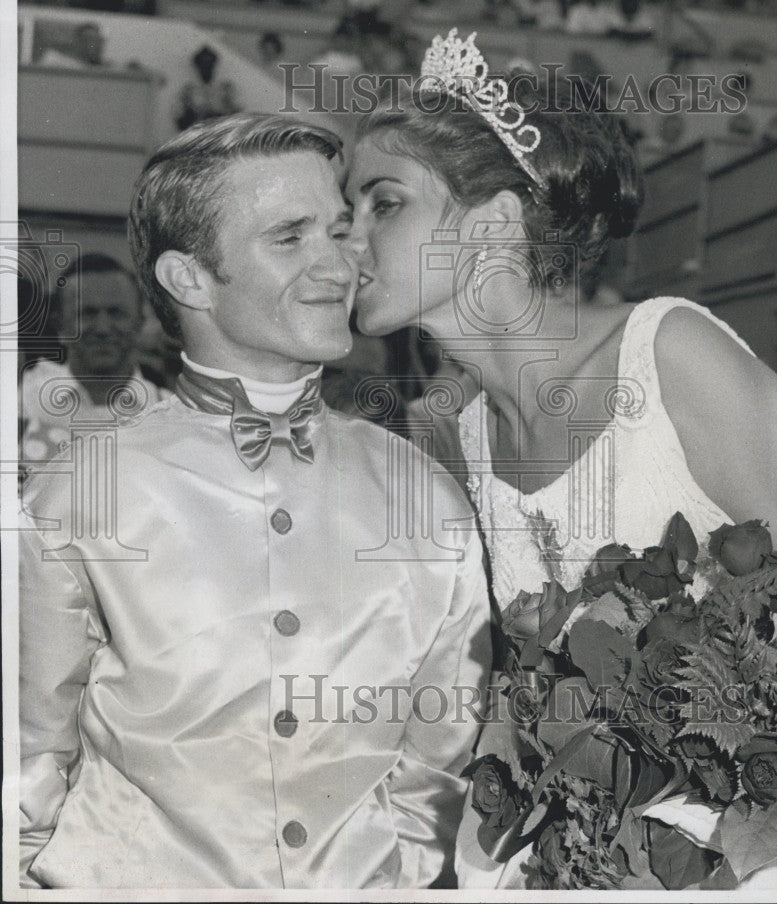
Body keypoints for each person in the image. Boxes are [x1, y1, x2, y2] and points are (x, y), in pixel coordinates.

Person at [344, 30, 777, 885]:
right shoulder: (458, 434)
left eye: (383, 203)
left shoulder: (670, 352)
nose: (346, 236)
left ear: (497, 222)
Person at [18, 114, 491, 890]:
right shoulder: (75, 496)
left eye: (339, 232)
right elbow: (31, 757)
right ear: (189, 279)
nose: (339, 266)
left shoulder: (423, 491)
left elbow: (441, 761)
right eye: (290, 237)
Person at [19, 253, 169, 475]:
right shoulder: (23, 404)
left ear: (139, 322)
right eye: (86, 314)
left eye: (116, 313)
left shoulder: (168, 413)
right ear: (59, 325)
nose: (102, 328)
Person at [174, 44, 240, 131]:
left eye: (209, 65)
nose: (206, 68)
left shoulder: (225, 89)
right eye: (202, 65)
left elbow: (237, 118)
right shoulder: (189, 91)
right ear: (197, 67)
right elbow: (180, 121)